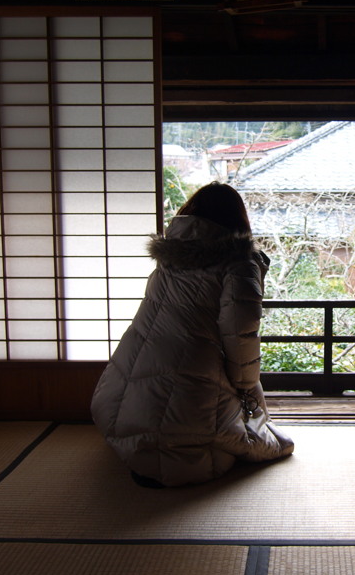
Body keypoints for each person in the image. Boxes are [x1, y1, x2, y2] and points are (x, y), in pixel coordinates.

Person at [91, 182, 294, 487]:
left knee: (161, 415)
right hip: (190, 395)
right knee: (270, 445)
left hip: (115, 403)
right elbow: (241, 335)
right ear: (238, 219)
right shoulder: (239, 262)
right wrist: (246, 387)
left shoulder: (170, 255)